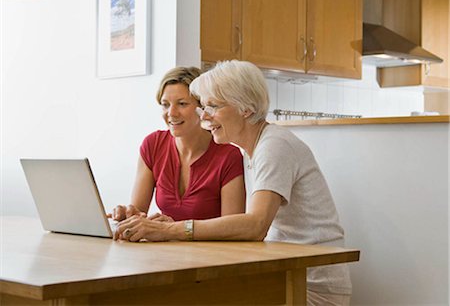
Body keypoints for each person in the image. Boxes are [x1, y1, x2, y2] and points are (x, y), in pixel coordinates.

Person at [114, 61, 352, 305]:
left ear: (245, 109)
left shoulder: (274, 147)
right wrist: (170, 227)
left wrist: (171, 230)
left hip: (309, 287)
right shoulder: (255, 149)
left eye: (213, 106)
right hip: (283, 277)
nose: (204, 116)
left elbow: (255, 226)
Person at [112, 66, 245, 224]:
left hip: (211, 249)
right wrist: (127, 214)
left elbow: (232, 230)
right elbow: (138, 213)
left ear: (202, 108)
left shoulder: (229, 156)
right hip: (164, 248)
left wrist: (173, 230)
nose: (171, 113)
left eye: (182, 104)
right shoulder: (152, 145)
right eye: (165, 105)